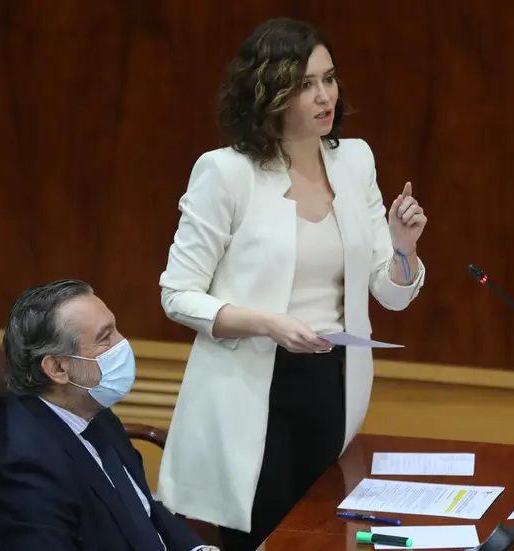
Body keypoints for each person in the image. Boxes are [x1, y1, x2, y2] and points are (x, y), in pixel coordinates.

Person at [155, 16, 428, 551]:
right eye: (305, 85)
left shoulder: (354, 161)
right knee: (265, 538)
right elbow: (176, 294)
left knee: (325, 536)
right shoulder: (226, 173)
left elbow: (390, 294)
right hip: (253, 391)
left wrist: (402, 246)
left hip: (332, 385)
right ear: (269, 93)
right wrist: (268, 323)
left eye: (328, 79)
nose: (324, 96)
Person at [0, 279, 216, 551]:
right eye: (104, 337)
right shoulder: (26, 467)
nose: (123, 343)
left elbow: (141, 506)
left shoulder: (89, 406)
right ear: (58, 368)